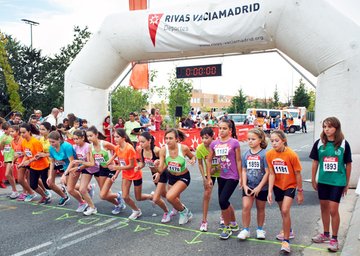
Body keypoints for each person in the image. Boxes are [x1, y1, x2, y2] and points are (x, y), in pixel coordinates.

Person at [309, 117, 352, 252]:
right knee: (324, 208)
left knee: (333, 209)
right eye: (324, 127)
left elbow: (348, 164)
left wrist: (346, 183)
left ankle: (334, 238)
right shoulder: (319, 143)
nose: (326, 129)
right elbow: (315, 162)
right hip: (323, 181)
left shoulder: (344, 144)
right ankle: (325, 234)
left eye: (330, 127)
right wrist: (313, 179)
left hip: (337, 182)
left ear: (336, 128)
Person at [266, 130, 304, 253]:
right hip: (278, 186)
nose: (274, 143)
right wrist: (270, 191)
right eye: (272, 141)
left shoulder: (291, 155)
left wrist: (300, 191)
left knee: (285, 210)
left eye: (277, 141)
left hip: (290, 185)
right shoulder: (269, 154)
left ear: (283, 140)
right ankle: (289, 230)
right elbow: (271, 174)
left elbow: (298, 174)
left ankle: (286, 242)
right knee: (283, 212)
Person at [206, 119, 241, 240]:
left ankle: (227, 227)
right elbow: (209, 160)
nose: (221, 130)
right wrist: (209, 177)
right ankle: (234, 223)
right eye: (220, 128)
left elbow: (238, 160)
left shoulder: (235, 143)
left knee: (222, 200)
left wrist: (241, 177)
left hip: (233, 176)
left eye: (224, 128)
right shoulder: (214, 144)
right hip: (222, 176)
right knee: (225, 201)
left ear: (230, 130)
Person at [106, 129, 151, 220]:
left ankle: (152, 196)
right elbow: (121, 162)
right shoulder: (117, 148)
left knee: (138, 197)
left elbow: (130, 166)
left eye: (117, 137)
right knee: (125, 196)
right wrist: (116, 174)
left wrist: (115, 168)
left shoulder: (129, 148)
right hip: (126, 175)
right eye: (114, 137)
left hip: (135, 174)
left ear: (124, 138)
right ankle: (136, 211)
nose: (115, 139)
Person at [155, 128, 196, 225]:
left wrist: (193, 160)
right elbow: (161, 169)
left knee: (170, 197)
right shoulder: (163, 150)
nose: (168, 141)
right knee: (174, 199)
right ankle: (181, 210)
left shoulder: (183, 148)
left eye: (170, 138)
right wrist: (156, 166)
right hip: (171, 176)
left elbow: (192, 156)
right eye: (166, 138)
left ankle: (184, 212)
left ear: (177, 139)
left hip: (183, 176)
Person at [238, 128, 269, 240]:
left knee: (260, 208)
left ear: (260, 140)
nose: (250, 141)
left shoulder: (265, 154)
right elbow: (244, 170)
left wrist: (260, 187)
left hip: (262, 187)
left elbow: (267, 172)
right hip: (249, 186)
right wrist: (245, 185)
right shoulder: (246, 154)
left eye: (253, 139)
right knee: (246, 207)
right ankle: (245, 229)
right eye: (248, 139)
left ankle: (260, 229)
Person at [86, 126, 124, 215]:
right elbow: (92, 163)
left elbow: (118, 150)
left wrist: (115, 162)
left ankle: (119, 195)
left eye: (91, 136)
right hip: (102, 169)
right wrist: (80, 164)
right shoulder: (90, 147)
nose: (89, 138)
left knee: (103, 195)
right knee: (105, 193)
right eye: (87, 136)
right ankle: (118, 203)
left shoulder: (105, 144)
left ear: (96, 135)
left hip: (111, 169)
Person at [136, 131, 170, 222]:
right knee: (166, 195)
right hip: (154, 174)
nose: (141, 144)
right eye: (140, 142)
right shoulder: (142, 150)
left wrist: (159, 172)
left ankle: (167, 212)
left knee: (156, 198)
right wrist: (138, 167)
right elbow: (143, 163)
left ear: (149, 140)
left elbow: (167, 162)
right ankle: (178, 205)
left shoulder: (156, 150)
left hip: (162, 173)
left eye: (143, 142)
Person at [65, 129, 97, 215]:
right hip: (86, 169)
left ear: (83, 138)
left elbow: (90, 163)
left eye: (77, 139)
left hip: (96, 169)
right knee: (82, 189)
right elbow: (74, 161)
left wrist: (79, 166)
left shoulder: (88, 146)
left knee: (104, 194)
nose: (75, 141)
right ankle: (92, 207)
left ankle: (118, 198)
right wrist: (69, 171)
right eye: (74, 139)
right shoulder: (75, 147)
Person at [196, 127, 221, 232]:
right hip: (209, 174)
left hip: (221, 172)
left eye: (206, 138)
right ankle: (204, 221)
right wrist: (204, 177)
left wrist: (216, 168)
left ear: (212, 137)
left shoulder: (219, 146)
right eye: (202, 138)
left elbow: (225, 160)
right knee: (206, 195)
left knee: (222, 195)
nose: (204, 140)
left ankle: (223, 216)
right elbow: (200, 164)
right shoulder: (200, 148)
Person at [48, 131, 76, 206]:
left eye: (53, 142)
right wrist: (50, 175)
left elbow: (72, 161)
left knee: (70, 187)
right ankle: (64, 196)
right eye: (50, 142)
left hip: (73, 165)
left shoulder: (67, 146)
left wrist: (64, 175)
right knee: (51, 183)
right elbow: (52, 162)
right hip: (63, 164)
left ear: (59, 140)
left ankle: (85, 195)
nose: (51, 144)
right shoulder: (51, 148)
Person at [10, 125, 36, 201]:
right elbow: (15, 153)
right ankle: (29, 193)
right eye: (10, 131)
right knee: (21, 179)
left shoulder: (22, 140)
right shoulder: (12, 141)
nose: (10, 133)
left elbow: (26, 153)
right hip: (20, 161)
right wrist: (13, 161)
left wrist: (22, 156)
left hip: (27, 160)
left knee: (28, 179)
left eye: (12, 131)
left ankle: (30, 193)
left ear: (17, 132)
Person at [0, 122, 19, 198]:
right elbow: (1, 148)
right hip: (6, 156)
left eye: (6, 129)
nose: (5, 131)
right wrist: (3, 142)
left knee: (7, 174)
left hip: (12, 157)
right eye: (3, 130)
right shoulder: (3, 136)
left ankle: (16, 191)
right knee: (10, 175)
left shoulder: (13, 136)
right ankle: (14, 191)